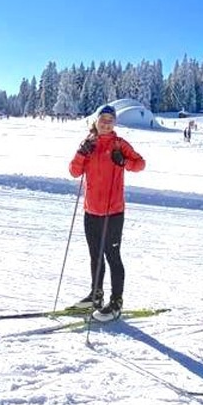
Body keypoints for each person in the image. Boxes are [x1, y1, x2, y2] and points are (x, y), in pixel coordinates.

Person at [68, 105, 146, 320]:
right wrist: (81, 154)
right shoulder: (88, 144)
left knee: (112, 256)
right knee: (95, 256)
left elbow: (141, 164)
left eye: (110, 120)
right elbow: (74, 172)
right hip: (91, 211)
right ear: (96, 121)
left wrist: (125, 161)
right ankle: (96, 296)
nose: (106, 123)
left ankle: (116, 302)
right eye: (103, 119)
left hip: (113, 212)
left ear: (115, 123)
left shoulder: (120, 144)